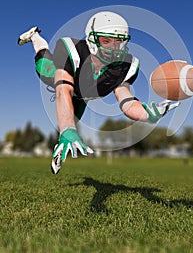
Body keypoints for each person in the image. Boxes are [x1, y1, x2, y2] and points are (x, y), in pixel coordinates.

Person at [18, 11, 179, 174]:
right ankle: (34, 36)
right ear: (91, 38)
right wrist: (67, 129)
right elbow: (63, 90)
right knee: (43, 63)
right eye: (106, 40)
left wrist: (148, 114)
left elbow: (127, 104)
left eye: (118, 41)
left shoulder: (125, 66)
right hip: (59, 77)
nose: (113, 47)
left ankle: (58, 152)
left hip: (83, 96)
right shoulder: (72, 50)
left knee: (68, 126)